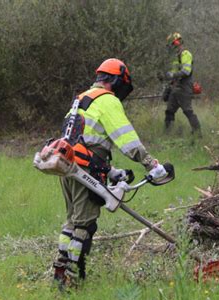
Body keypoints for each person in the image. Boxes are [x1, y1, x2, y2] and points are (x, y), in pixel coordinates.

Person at [53, 58, 168, 288]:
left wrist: (111, 172)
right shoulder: (107, 100)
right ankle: (72, 281)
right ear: (115, 81)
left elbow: (81, 139)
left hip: (66, 166)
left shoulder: (81, 99)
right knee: (84, 225)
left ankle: (59, 272)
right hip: (85, 168)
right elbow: (127, 140)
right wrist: (151, 165)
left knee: (71, 223)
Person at [163, 32, 201, 134]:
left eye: (171, 44)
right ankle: (168, 134)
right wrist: (169, 82)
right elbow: (174, 72)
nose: (170, 47)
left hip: (185, 87)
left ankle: (197, 133)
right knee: (169, 111)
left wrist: (173, 75)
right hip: (175, 87)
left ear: (176, 43)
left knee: (187, 111)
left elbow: (186, 71)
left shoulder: (185, 54)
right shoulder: (175, 56)